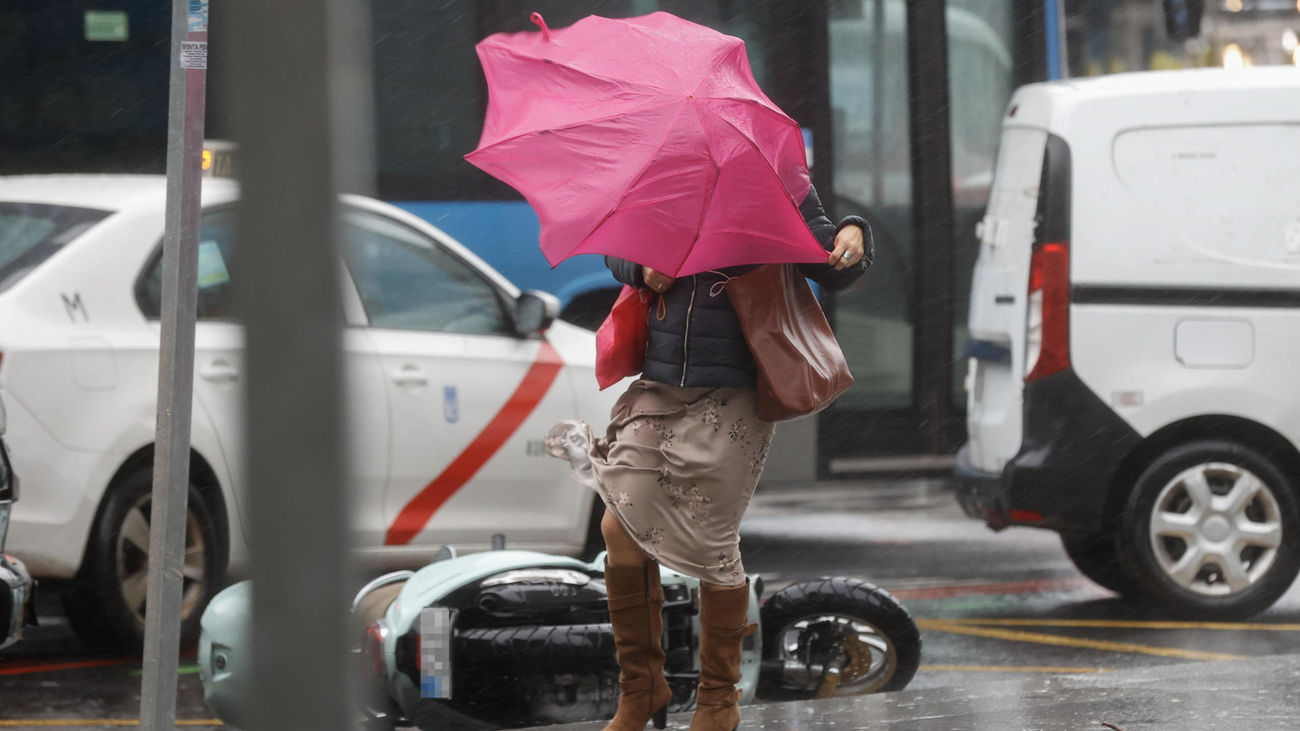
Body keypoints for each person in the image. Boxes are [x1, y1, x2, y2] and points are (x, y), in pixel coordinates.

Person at [546, 184, 872, 731]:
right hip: (660, 383)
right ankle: (642, 688)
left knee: (713, 543)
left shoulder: (774, 180)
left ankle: (719, 702)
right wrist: (639, 269)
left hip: (735, 393)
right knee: (619, 530)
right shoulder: (663, 177)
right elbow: (617, 248)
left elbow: (831, 268)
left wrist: (855, 231)